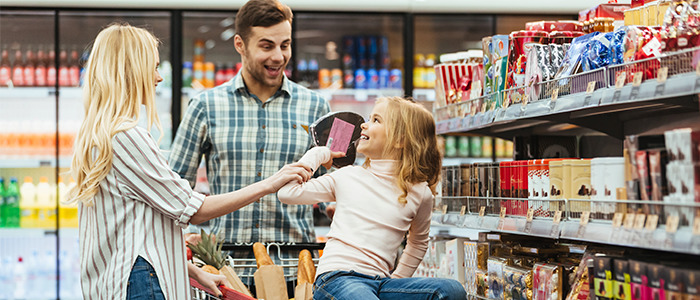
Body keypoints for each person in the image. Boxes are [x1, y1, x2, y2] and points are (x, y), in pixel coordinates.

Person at [67, 23, 312, 299]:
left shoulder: (98, 135)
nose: (158, 78)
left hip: (118, 280)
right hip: (138, 283)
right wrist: (271, 183)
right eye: (154, 66)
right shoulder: (127, 136)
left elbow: (134, 232)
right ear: (131, 71)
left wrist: (193, 271)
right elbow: (193, 209)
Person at [168, 0, 331, 288]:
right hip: (225, 272)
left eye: (285, 45)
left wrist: (336, 206)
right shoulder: (205, 106)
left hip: (296, 271)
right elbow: (174, 189)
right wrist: (186, 235)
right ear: (240, 44)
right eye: (266, 46)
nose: (279, 56)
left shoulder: (315, 107)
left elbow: (329, 184)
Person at [278, 97, 467, 300]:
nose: (363, 124)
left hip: (381, 284)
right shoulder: (348, 176)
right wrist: (318, 154)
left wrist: (397, 281)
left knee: (451, 291)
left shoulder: (420, 193)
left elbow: (418, 242)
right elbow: (287, 193)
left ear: (400, 139)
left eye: (376, 120)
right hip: (337, 279)